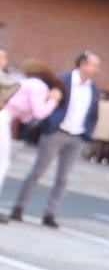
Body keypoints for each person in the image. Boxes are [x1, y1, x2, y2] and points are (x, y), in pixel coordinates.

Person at [8, 51, 102, 229]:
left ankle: (50, 213)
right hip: (56, 132)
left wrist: (87, 132)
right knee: (37, 172)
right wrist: (49, 123)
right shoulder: (62, 80)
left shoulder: (94, 89)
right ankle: (19, 207)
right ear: (82, 64)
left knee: (63, 178)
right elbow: (46, 100)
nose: (97, 69)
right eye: (94, 65)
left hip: (77, 136)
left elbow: (93, 114)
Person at [0, 61, 64, 223]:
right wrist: (53, 100)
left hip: (5, 117)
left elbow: (25, 116)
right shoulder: (39, 86)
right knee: (2, 164)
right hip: (3, 119)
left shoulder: (28, 83)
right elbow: (40, 113)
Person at [89, 90, 109, 164]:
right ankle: (104, 159)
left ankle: (95, 157)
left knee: (98, 142)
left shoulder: (100, 103)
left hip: (99, 125)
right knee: (107, 144)